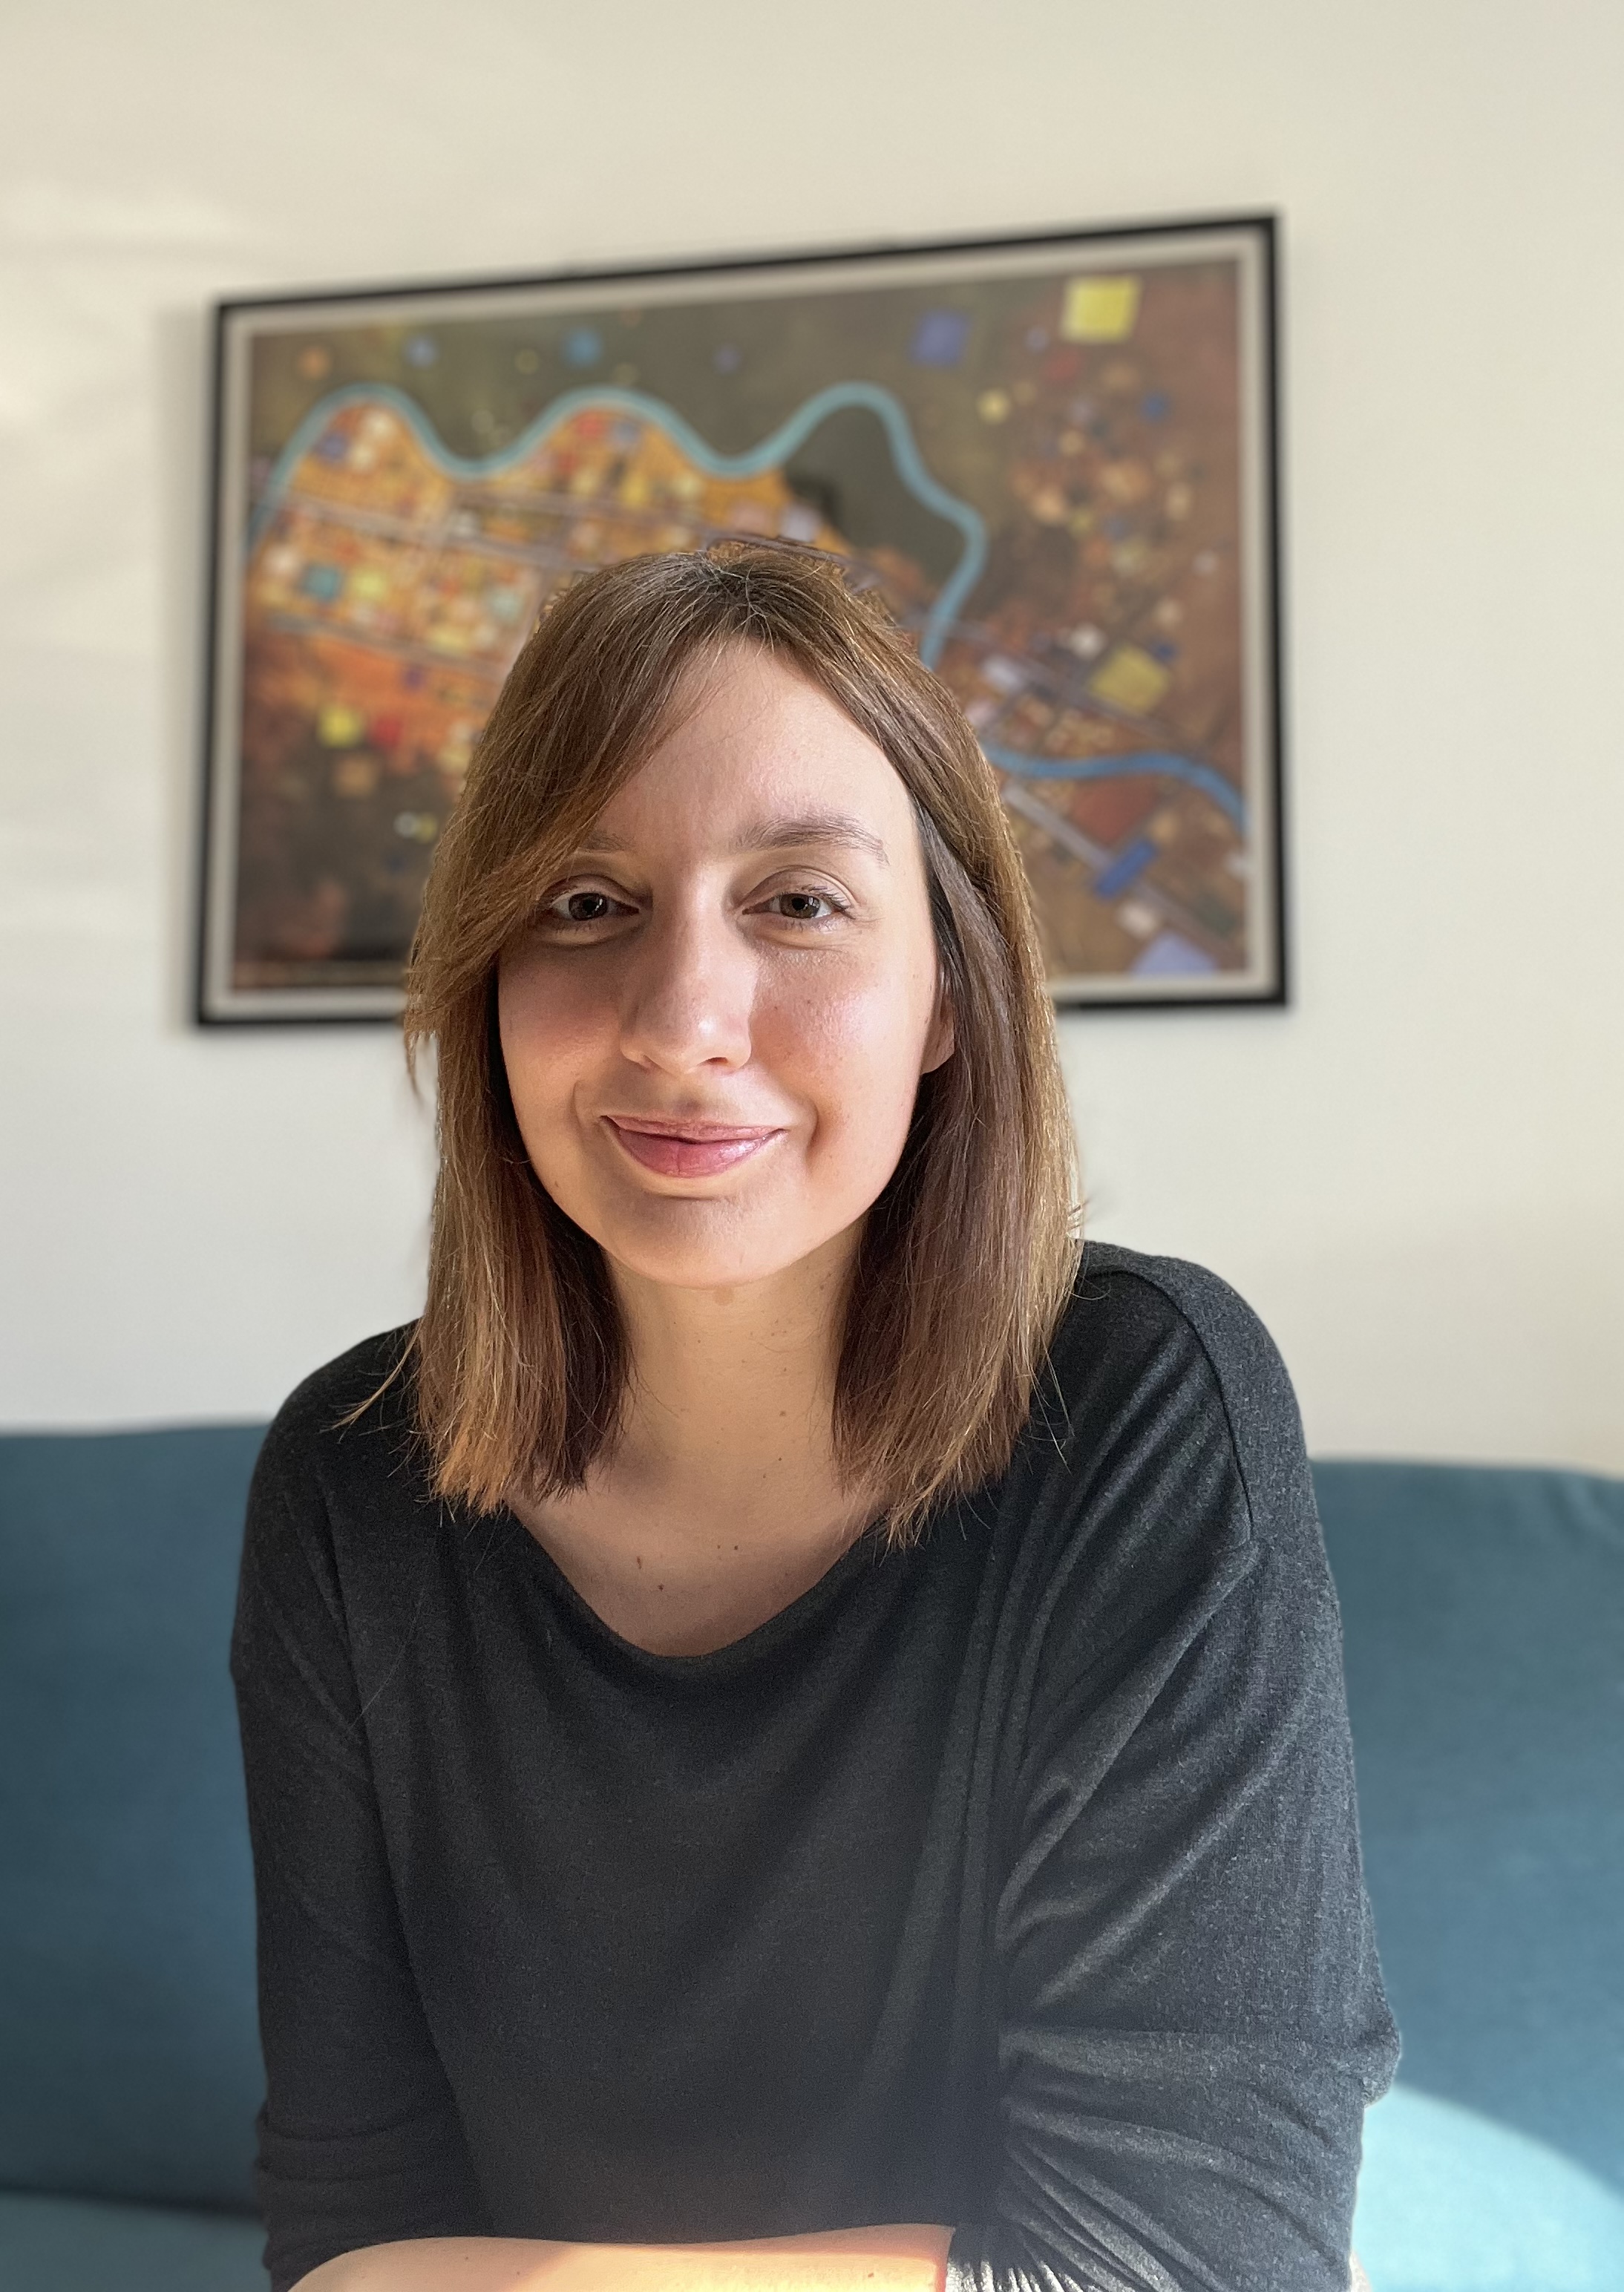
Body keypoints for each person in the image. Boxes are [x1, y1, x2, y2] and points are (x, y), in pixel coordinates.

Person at [231, 543, 1398, 2292]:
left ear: (948, 992)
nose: (683, 1020)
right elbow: (353, 2229)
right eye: (585, 901)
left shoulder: (1144, 1405)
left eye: (797, 901)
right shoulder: (351, 1474)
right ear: (488, 982)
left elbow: (1198, 2260)